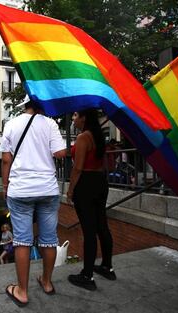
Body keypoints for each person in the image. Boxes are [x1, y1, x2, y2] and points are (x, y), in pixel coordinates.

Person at [0, 97, 66, 306]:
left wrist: (5, 186)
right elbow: (61, 153)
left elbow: (5, 160)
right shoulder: (50, 123)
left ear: (25, 105)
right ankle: (46, 282)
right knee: (49, 238)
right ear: (41, 104)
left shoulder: (11, 124)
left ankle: (22, 291)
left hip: (20, 190)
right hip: (47, 188)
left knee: (22, 240)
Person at [67, 109, 116, 291]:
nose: (73, 118)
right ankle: (107, 266)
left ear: (83, 118)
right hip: (101, 181)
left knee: (89, 230)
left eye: (75, 115)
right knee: (102, 225)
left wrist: (70, 190)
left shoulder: (83, 138)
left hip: (86, 184)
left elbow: (77, 168)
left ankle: (87, 275)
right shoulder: (97, 136)